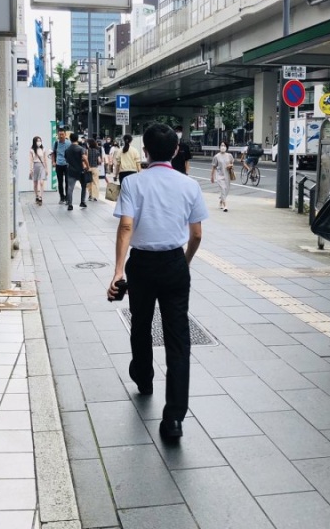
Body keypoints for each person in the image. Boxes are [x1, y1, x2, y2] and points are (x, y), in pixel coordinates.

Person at [107, 123, 208, 440]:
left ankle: (144, 376)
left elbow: (125, 227)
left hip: (142, 265)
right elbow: (196, 234)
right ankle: (174, 418)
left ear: (145, 152)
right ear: (176, 151)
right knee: (178, 338)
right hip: (174, 262)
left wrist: (118, 271)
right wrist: (185, 262)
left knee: (141, 322)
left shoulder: (134, 184)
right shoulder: (189, 185)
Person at [64, 133, 90, 210]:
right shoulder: (81, 149)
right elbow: (84, 158)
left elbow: (66, 160)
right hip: (81, 170)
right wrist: (87, 166)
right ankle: (82, 202)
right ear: (77, 139)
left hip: (71, 171)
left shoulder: (67, 150)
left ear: (70, 139)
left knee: (70, 188)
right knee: (83, 186)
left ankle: (70, 204)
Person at [210, 141, 234, 212]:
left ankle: (221, 201)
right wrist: (212, 176)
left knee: (226, 190)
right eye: (221, 145)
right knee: (223, 189)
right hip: (219, 176)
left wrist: (230, 165)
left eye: (224, 145)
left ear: (226, 147)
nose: (223, 147)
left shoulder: (229, 155)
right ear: (219, 147)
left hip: (227, 175)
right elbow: (213, 167)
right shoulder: (216, 156)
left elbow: (232, 163)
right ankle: (225, 205)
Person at [52, 129, 71, 204]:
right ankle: (62, 197)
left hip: (67, 165)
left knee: (67, 181)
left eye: (62, 134)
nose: (61, 136)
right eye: (60, 134)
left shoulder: (68, 143)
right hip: (58, 164)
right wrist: (53, 161)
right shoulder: (56, 143)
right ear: (58, 135)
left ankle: (67, 197)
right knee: (60, 182)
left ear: (65, 135)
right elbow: (53, 153)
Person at [29, 136, 48, 204]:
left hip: (42, 166)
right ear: (34, 141)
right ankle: (36, 195)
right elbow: (31, 160)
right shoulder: (32, 150)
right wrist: (31, 169)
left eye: (40, 140)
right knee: (35, 183)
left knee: (41, 182)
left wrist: (46, 169)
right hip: (35, 166)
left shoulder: (43, 149)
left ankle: (40, 197)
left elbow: (45, 159)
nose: (39, 142)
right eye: (37, 141)